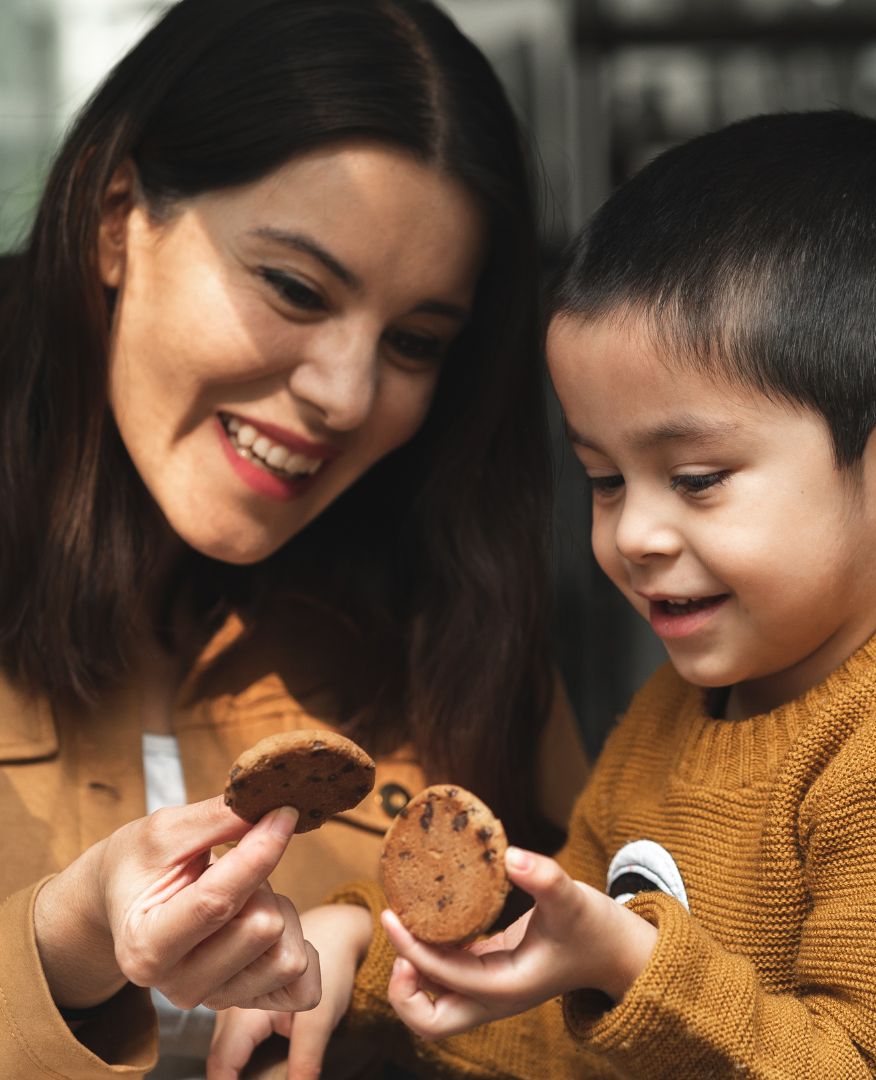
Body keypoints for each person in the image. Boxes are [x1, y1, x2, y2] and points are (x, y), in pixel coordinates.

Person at [212, 110, 876, 1079]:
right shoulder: (678, 715)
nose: (633, 536)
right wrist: (367, 960)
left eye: (698, 478)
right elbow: (576, 1035)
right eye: (606, 478)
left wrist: (631, 964)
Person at [0, 1, 589, 1078]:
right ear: (116, 216)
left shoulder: (457, 623)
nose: (344, 394)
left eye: (414, 342)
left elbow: (604, 1013)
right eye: (293, 287)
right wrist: (63, 945)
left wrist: (392, 975)